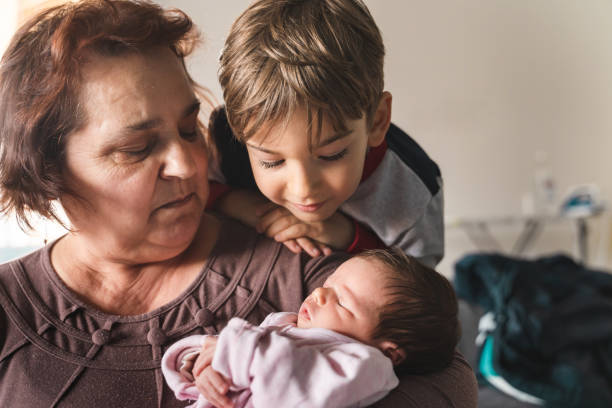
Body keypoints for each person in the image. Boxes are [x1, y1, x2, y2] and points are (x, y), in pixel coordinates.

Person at [0, 1, 477, 407]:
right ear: (46, 172)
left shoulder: (311, 273)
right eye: (137, 148)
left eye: (190, 130)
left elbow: (434, 350)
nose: (190, 164)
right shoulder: (11, 304)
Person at [207, 0, 444, 268]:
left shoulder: (413, 191)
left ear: (376, 122)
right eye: (272, 162)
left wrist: (347, 236)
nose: (303, 188)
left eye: (331, 155)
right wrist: (236, 203)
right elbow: (190, 193)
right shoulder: (226, 140)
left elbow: (419, 289)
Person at [162, 249, 459, 408]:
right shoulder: (286, 325)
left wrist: (232, 349)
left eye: (342, 302)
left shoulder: (365, 366)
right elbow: (228, 350)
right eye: (328, 285)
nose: (319, 294)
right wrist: (199, 363)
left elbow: (287, 386)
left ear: (389, 352)